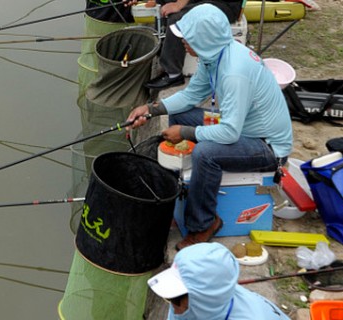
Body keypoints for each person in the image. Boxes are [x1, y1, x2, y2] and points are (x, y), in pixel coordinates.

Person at [127, 4, 293, 251]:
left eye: (187, 38)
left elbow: (229, 133)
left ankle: (203, 223)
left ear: (203, 39)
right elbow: (191, 95)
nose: (183, 42)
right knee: (181, 113)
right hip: (242, 129)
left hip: (266, 146)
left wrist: (184, 133)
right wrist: (152, 109)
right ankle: (188, 186)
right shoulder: (214, 55)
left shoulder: (233, 73)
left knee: (206, 153)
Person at [148, 242, 291, 319]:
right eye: (169, 297)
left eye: (176, 299)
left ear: (205, 300)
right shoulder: (197, 305)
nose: (172, 306)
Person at [141, 0, 243, 89]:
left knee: (178, 18)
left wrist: (178, 5)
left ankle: (173, 74)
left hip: (225, 5)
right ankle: (162, 49)